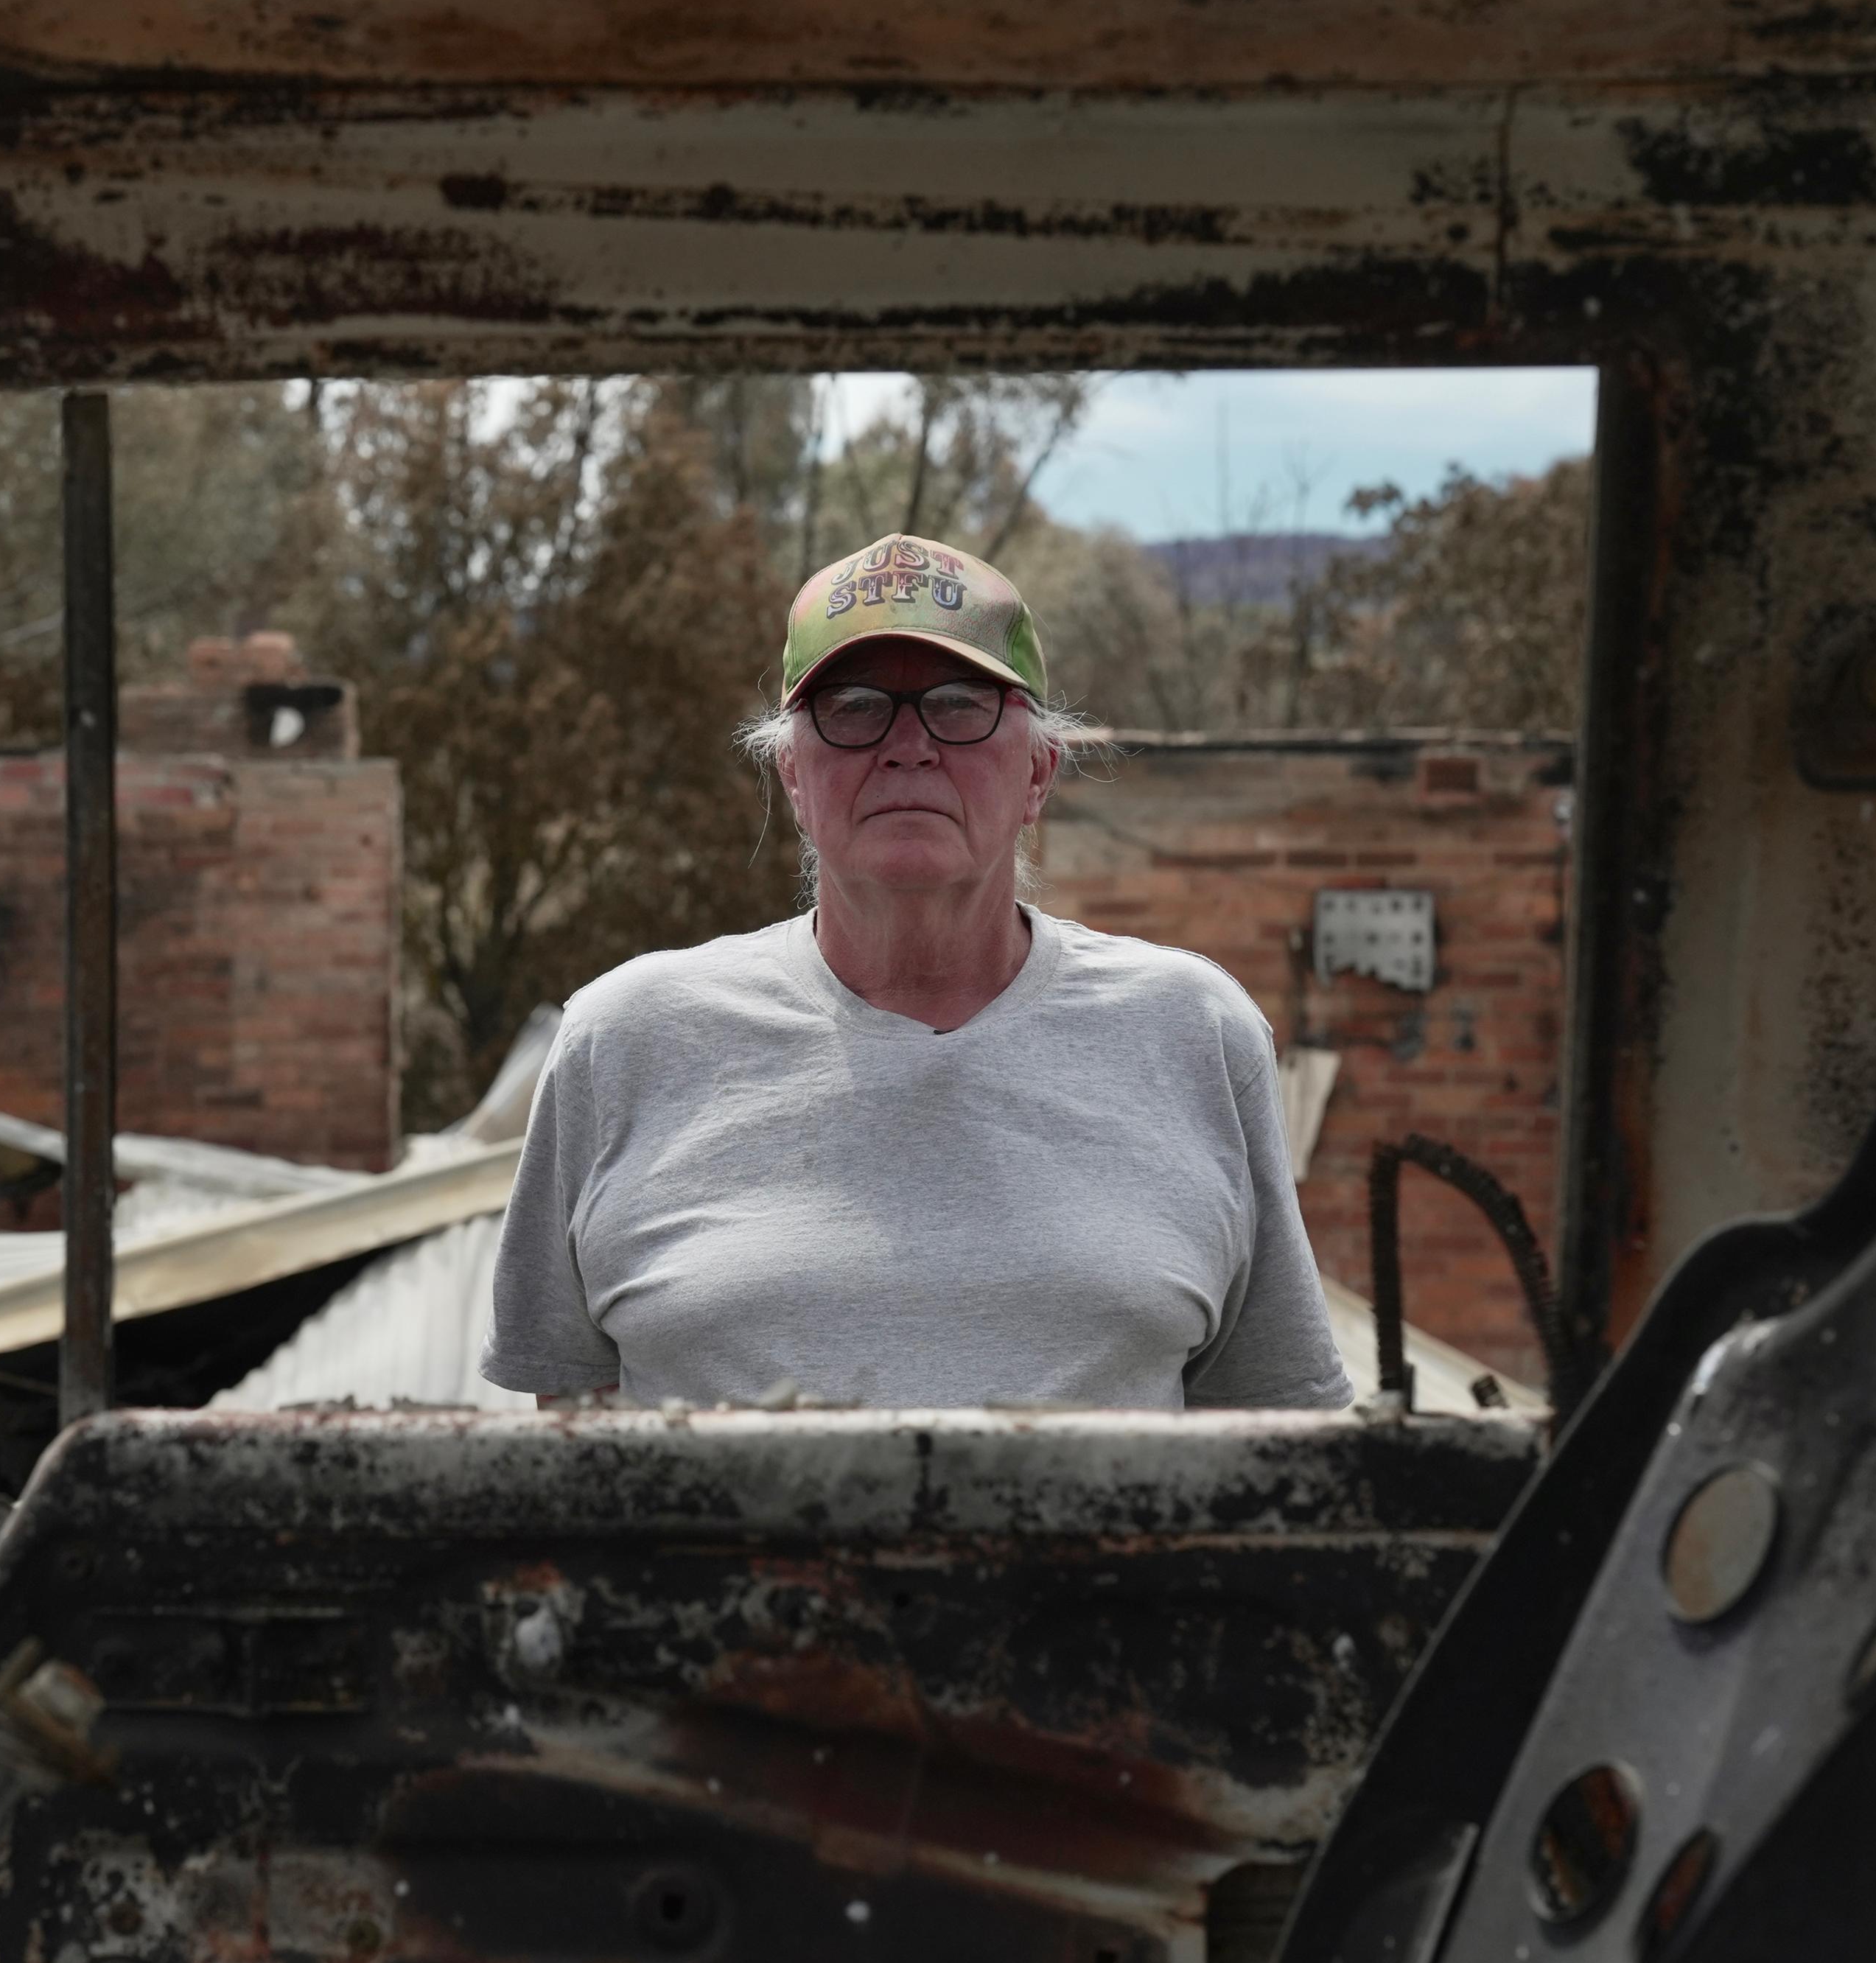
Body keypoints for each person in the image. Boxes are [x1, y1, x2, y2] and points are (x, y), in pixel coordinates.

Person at [480, 531, 1351, 1413]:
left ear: (1039, 773)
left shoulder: (1193, 1033)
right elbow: (572, 1436)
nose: (907, 746)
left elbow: (1268, 1429)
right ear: (792, 775)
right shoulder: (624, 1040)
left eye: (959, 704)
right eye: (854, 707)